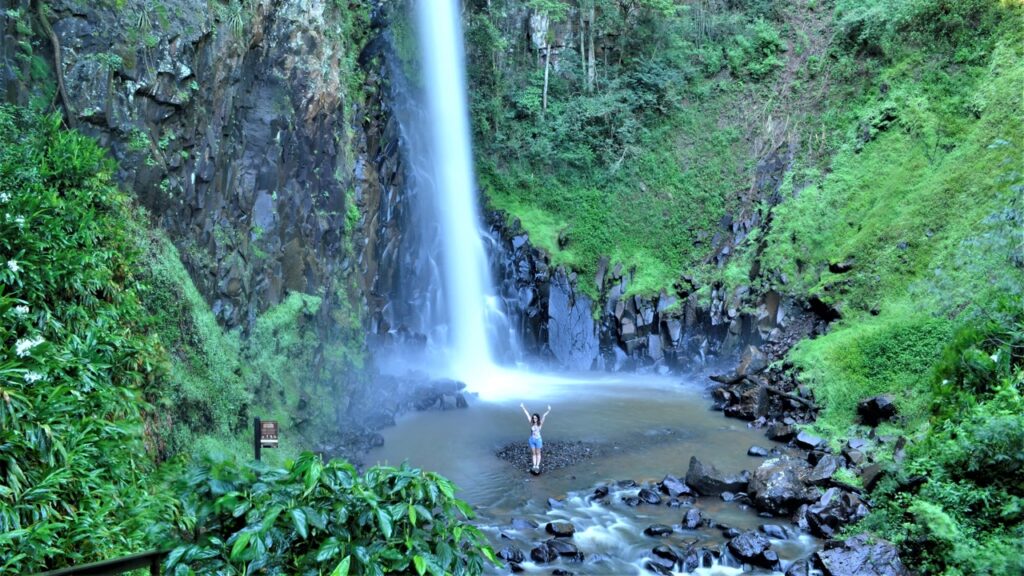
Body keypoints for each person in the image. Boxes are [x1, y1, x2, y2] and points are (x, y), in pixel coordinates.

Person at [520, 403, 551, 473]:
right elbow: (527, 414)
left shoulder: (540, 423)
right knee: (533, 453)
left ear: (538, 418)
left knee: (538, 453)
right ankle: (534, 465)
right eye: (533, 418)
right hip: (532, 440)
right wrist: (523, 407)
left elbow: (544, 416)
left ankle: (537, 465)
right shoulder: (531, 423)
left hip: (538, 440)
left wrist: (548, 410)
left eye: (535, 418)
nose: (534, 419)